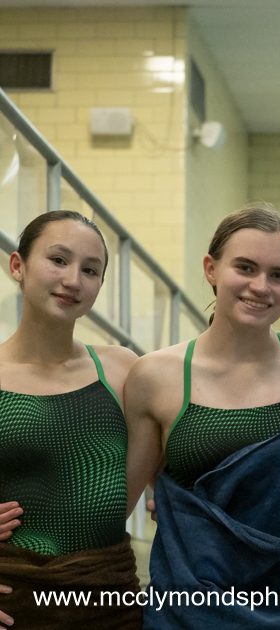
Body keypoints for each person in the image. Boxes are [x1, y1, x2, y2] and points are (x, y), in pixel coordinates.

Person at [126, 202, 280, 629]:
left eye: (279, 275)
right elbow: (116, 504)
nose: (261, 286)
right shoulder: (156, 376)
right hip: (188, 608)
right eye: (245, 268)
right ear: (211, 268)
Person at [0, 211, 146, 629]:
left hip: (109, 603)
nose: (73, 280)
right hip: (15, 602)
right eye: (58, 260)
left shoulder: (122, 371)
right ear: (18, 266)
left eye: (90, 270)